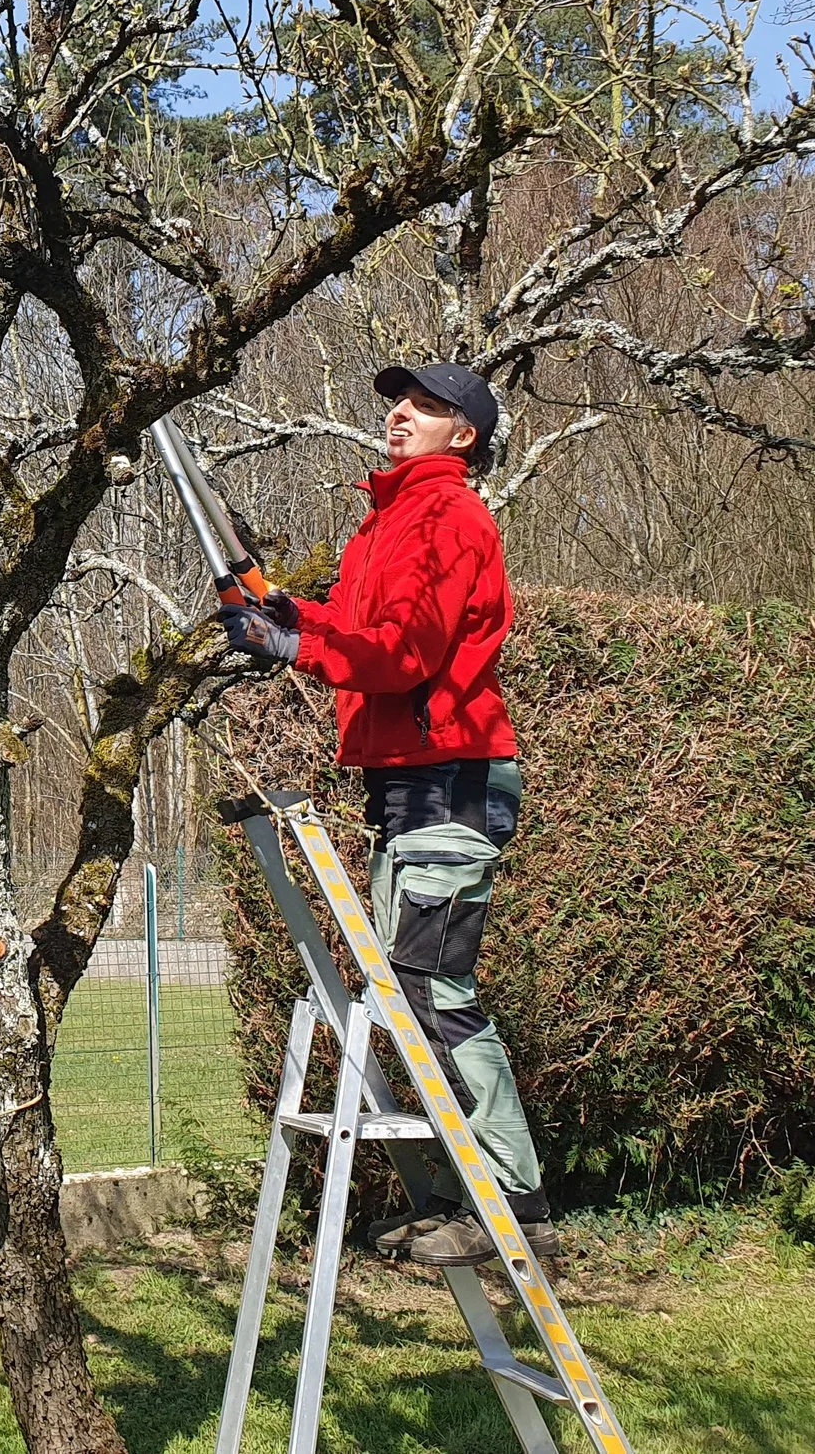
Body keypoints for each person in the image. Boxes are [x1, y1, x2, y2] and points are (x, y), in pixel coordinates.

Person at [217, 361, 554, 1266]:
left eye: (428, 405)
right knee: (406, 991)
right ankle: (461, 1193)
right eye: (400, 402)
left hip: (453, 775)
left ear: (465, 433)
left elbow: (403, 653)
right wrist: (291, 618)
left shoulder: (448, 516)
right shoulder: (389, 521)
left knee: (431, 991)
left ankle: (514, 1201)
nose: (401, 413)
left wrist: (300, 644)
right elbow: (364, 631)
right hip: (408, 780)